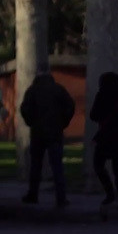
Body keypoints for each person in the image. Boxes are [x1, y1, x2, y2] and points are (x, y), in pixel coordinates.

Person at [18, 71, 75, 207]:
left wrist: (31, 122)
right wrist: (63, 123)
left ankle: (33, 194)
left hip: (38, 133)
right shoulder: (59, 89)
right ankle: (61, 198)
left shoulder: (32, 91)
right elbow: (70, 106)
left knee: (36, 165)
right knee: (57, 166)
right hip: (55, 133)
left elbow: (24, 108)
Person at [90, 71, 118, 213]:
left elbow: (93, 115)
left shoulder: (101, 95)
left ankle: (110, 193)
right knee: (117, 169)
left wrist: (98, 134)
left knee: (98, 164)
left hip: (106, 134)